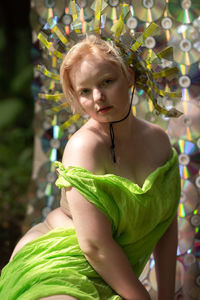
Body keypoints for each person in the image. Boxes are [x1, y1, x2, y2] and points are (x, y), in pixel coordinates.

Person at [0, 33, 181, 300]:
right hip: (57, 262)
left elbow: (165, 225)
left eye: (107, 82)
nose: (98, 97)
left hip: (112, 271)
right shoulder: (83, 147)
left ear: (129, 77)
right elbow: (95, 246)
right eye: (85, 91)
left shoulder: (158, 142)